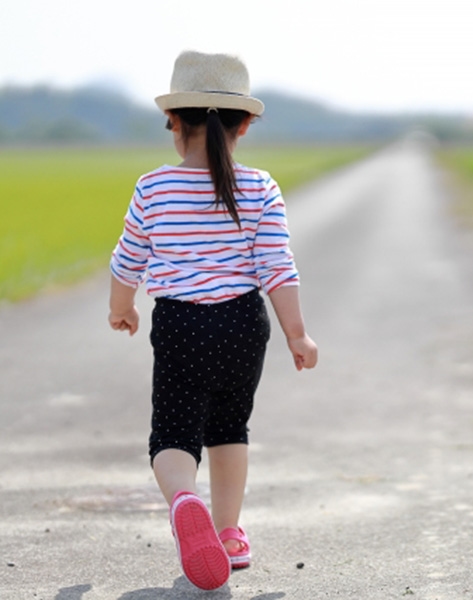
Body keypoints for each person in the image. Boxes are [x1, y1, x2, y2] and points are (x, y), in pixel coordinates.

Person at [108, 50, 318, 591]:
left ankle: (183, 500)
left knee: (174, 434)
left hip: (180, 324)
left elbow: (127, 257)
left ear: (175, 123)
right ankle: (227, 535)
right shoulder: (261, 187)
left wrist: (122, 307)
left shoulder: (153, 187)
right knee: (230, 429)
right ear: (244, 126)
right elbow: (277, 265)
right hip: (245, 325)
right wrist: (297, 332)